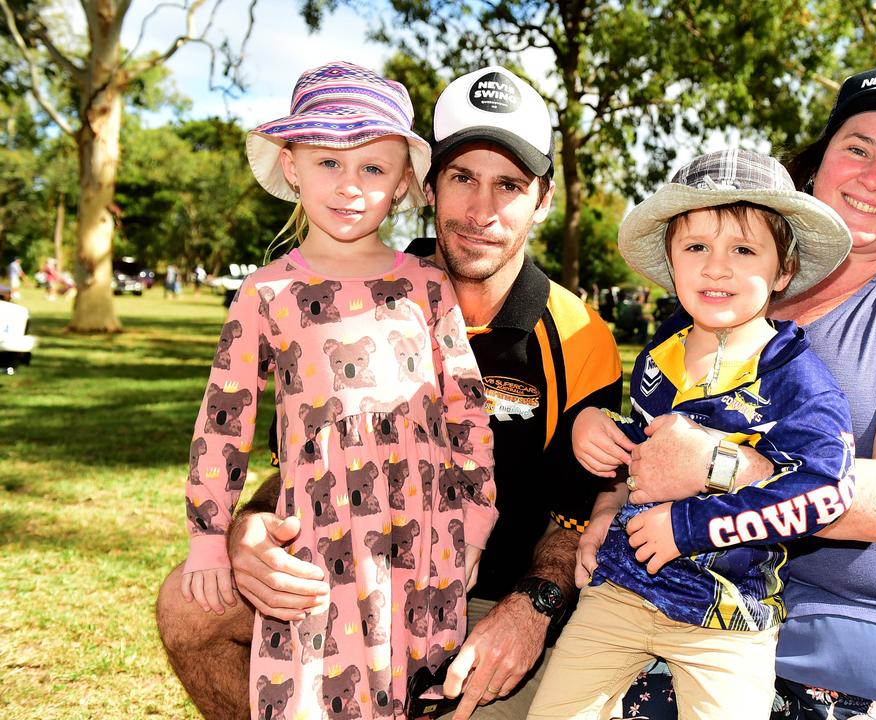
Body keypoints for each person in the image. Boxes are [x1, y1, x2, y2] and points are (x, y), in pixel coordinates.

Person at [155, 64, 623, 720]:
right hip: (347, 564)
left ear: (542, 199)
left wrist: (530, 610)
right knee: (188, 606)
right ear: (427, 188)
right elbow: (295, 449)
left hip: (494, 602)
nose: (481, 212)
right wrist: (247, 532)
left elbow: (582, 511)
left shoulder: (578, 334)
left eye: (509, 185)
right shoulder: (333, 292)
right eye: (462, 178)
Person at [598, 62, 876, 719]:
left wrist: (720, 466)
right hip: (694, 613)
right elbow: (650, 449)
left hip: (858, 641)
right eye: (857, 149)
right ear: (815, 168)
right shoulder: (720, 290)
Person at [180, 60, 501, 718]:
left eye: (372, 168)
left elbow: (466, 409)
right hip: (322, 547)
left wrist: (476, 518)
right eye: (327, 163)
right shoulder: (266, 291)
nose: (349, 186)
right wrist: (210, 533)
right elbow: (224, 421)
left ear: (404, 180)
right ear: (292, 166)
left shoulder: (427, 287)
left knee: (413, 695)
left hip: (426, 540)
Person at [528, 148, 856, 719]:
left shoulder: (796, 377)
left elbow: (825, 490)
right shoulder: (661, 353)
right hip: (619, 592)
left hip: (726, 620)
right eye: (696, 247)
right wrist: (597, 431)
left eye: (744, 250)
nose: (716, 267)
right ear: (671, 260)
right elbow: (643, 451)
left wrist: (687, 526)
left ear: (783, 270)